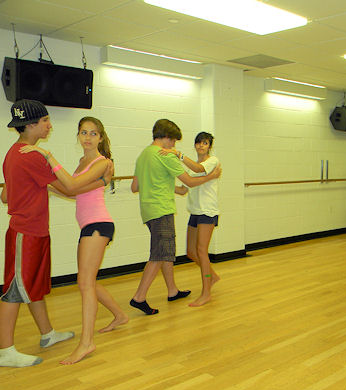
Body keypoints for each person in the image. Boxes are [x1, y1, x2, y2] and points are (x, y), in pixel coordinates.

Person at [0, 99, 109, 367]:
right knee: (14, 290)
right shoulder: (33, 155)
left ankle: (47, 334)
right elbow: (69, 189)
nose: (50, 125)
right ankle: (5, 350)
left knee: (34, 287)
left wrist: (36, 188)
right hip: (25, 232)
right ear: (31, 125)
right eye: (45, 120)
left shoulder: (14, 153)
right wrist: (101, 181)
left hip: (35, 231)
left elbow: (5, 196)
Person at [21, 117, 129, 364]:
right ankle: (120, 315)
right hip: (90, 225)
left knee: (84, 283)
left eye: (93, 133)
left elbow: (72, 184)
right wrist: (44, 185)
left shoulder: (103, 162)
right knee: (88, 281)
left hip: (99, 224)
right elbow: (74, 192)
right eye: (83, 132)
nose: (87, 137)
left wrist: (47, 156)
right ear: (78, 135)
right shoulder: (82, 162)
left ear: (100, 137)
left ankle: (87, 342)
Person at [129, 119, 222, 315]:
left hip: (150, 211)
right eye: (173, 141)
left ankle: (174, 290)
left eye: (205, 143)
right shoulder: (165, 155)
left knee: (169, 253)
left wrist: (167, 185)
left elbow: (135, 187)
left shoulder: (143, 155)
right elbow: (190, 181)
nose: (173, 145)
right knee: (161, 254)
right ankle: (139, 297)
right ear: (167, 137)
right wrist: (211, 177)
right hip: (162, 210)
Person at [161, 132, 221, 307]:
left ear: (209, 146)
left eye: (205, 143)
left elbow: (198, 169)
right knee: (191, 252)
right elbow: (182, 190)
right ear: (195, 145)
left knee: (202, 251)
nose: (201, 145)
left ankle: (206, 293)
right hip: (195, 211)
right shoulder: (191, 168)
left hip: (207, 211)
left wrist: (178, 154)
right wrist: (162, 184)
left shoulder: (212, 161)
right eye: (198, 143)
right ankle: (212, 276)